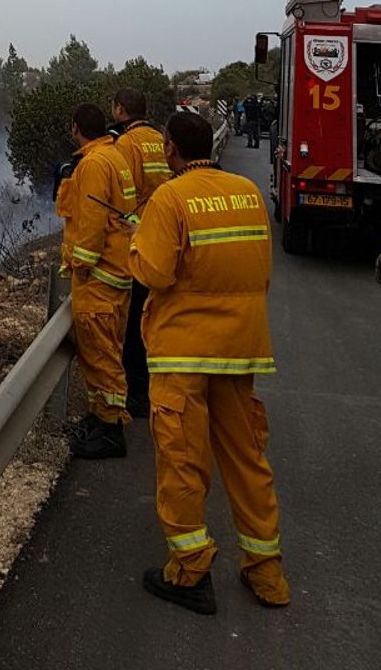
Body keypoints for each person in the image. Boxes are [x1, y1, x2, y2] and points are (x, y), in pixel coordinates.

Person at [130, 110, 290, 615]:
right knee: (247, 460)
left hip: (183, 351)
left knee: (182, 461)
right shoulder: (246, 192)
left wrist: (137, 240)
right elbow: (258, 267)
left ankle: (190, 570)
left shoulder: (170, 197)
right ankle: (267, 574)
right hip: (240, 349)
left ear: (171, 149)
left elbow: (155, 272)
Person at [57, 102, 138, 460]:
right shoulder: (115, 154)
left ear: (76, 128)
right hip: (119, 269)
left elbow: (90, 221)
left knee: (100, 352)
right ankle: (98, 418)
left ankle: (109, 430)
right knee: (104, 349)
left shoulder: (92, 164)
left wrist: (80, 266)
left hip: (99, 276)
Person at [110, 89, 171, 418]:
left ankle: (138, 394)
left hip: (138, 239)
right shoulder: (160, 139)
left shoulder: (126, 144)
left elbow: (122, 194)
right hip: (166, 234)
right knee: (157, 316)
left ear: (120, 110)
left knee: (135, 322)